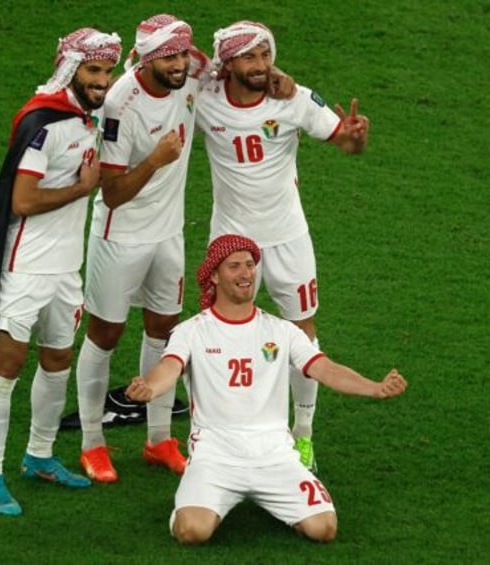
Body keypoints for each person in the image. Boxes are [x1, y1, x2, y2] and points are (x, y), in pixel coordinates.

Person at [125, 234, 408, 544]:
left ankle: (269, 496)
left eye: (250, 265)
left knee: (323, 529)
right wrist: (150, 388)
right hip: (215, 456)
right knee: (191, 531)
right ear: (215, 276)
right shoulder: (191, 331)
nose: (246, 273)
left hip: (275, 455)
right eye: (234, 266)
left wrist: (375, 388)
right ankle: (192, 503)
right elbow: (169, 368)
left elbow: (325, 368)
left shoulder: (282, 331)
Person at [195, 21, 371, 472]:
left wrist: (356, 136)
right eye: (249, 57)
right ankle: (209, 432)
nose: (261, 66)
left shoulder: (293, 99)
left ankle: (303, 434)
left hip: (288, 236)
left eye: (266, 55)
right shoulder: (206, 98)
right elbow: (162, 71)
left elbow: (346, 144)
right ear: (228, 62)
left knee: (303, 332)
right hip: (232, 237)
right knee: (218, 331)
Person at [0, 28, 122, 516]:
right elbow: (21, 200)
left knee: (58, 359)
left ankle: (39, 455)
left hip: (66, 269)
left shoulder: (86, 117)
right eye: (93, 71)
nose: (102, 81)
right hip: (27, 266)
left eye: (106, 71)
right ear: (71, 69)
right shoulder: (46, 124)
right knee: (9, 364)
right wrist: (82, 190)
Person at [73, 14, 209, 484]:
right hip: (121, 235)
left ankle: (158, 441)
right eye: (169, 56)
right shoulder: (120, 104)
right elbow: (111, 193)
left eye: (182, 54)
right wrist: (155, 160)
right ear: (149, 58)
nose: (179, 64)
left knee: (164, 330)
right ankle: (92, 444)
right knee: (105, 334)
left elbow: (227, 71)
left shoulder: (190, 75)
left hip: (168, 233)